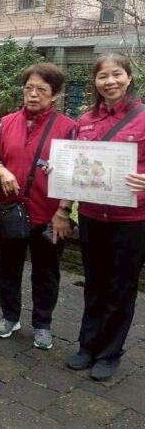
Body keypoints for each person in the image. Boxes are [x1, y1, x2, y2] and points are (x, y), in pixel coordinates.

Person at [66, 53, 145, 380]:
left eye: (117, 74)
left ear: (128, 77)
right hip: (91, 215)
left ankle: (110, 353)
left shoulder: (143, 117)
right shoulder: (85, 121)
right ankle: (88, 346)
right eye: (103, 76)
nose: (110, 81)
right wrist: (62, 172)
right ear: (95, 82)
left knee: (122, 287)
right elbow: (77, 165)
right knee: (94, 283)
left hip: (132, 219)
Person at [0, 63, 75, 350]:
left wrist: (63, 212)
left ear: (55, 95)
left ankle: (42, 324)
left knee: (46, 272)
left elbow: (76, 175)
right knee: (8, 267)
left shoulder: (68, 128)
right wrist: (1, 169)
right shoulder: (7, 122)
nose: (34, 94)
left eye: (42, 89)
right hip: (11, 210)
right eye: (29, 88)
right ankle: (9, 316)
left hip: (49, 215)